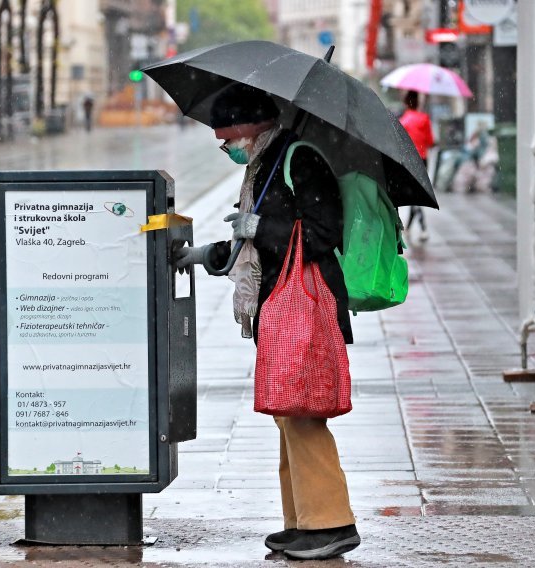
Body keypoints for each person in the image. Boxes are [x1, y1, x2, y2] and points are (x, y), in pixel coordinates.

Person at [175, 84, 360, 560]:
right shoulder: (264, 165)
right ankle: (302, 521)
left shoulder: (300, 160)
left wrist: (262, 228)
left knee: (302, 412)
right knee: (288, 412)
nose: (227, 148)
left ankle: (331, 523)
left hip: (306, 305)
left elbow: (322, 234)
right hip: (278, 305)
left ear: (250, 125)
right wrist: (203, 255)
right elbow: (251, 249)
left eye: (227, 139)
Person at [398, 90, 434, 241]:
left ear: (406, 103)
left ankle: (412, 227)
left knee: (414, 194)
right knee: (416, 194)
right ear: (418, 102)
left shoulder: (403, 121)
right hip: (423, 159)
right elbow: (430, 141)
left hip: (408, 161)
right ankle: (423, 227)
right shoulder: (424, 119)